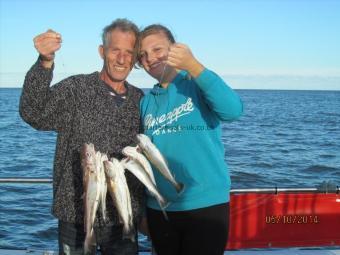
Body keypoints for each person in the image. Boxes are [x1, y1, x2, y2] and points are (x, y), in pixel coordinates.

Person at [19, 19, 145, 255]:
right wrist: (45, 62)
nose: (121, 59)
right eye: (115, 50)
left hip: (122, 216)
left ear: (135, 57)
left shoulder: (140, 100)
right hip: (75, 214)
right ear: (102, 51)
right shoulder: (76, 88)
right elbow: (33, 112)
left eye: (129, 52)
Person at [138, 24, 243, 255]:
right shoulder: (145, 103)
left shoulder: (197, 84)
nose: (150, 58)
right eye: (143, 55)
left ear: (175, 49)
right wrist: (142, 211)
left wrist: (194, 66)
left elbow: (233, 110)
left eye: (157, 49)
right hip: (160, 209)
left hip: (206, 206)